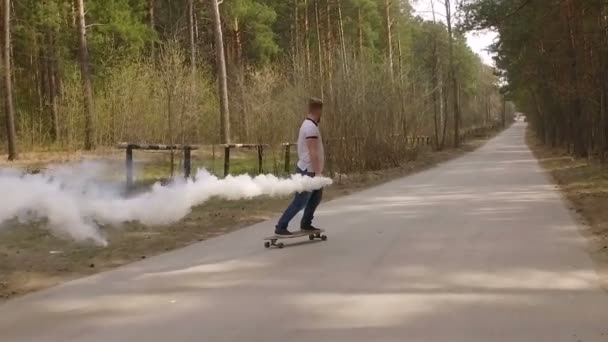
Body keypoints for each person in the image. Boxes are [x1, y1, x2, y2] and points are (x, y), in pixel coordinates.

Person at [275, 97, 325, 235]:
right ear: (318, 110)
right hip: (308, 171)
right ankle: (281, 226)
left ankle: (306, 223)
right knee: (300, 201)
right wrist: (318, 172)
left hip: (310, 170)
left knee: (316, 198)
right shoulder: (310, 128)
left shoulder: (310, 126)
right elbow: (313, 151)